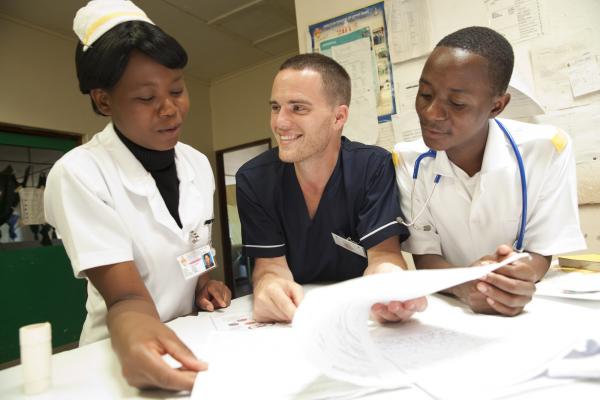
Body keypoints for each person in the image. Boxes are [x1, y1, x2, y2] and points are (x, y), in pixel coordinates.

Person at [44, 0, 231, 391]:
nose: (170, 109)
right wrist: (139, 332)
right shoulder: (80, 173)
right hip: (119, 351)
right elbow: (125, 297)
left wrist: (204, 283)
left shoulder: (196, 164)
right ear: (104, 100)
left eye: (177, 89)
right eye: (147, 98)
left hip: (190, 333)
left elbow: (199, 246)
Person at [393, 26, 586, 316]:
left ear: (497, 106)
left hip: (528, 308)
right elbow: (425, 256)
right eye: (425, 94)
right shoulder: (409, 161)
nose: (431, 113)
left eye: (457, 104)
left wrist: (516, 276)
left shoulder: (547, 149)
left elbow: (541, 251)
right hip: (451, 307)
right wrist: (465, 284)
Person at [236, 53, 427, 324]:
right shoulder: (255, 180)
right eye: (276, 107)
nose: (280, 123)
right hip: (298, 318)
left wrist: (390, 284)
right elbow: (270, 266)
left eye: (298, 108)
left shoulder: (372, 167)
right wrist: (268, 286)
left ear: (339, 117)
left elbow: (384, 254)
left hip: (358, 315)